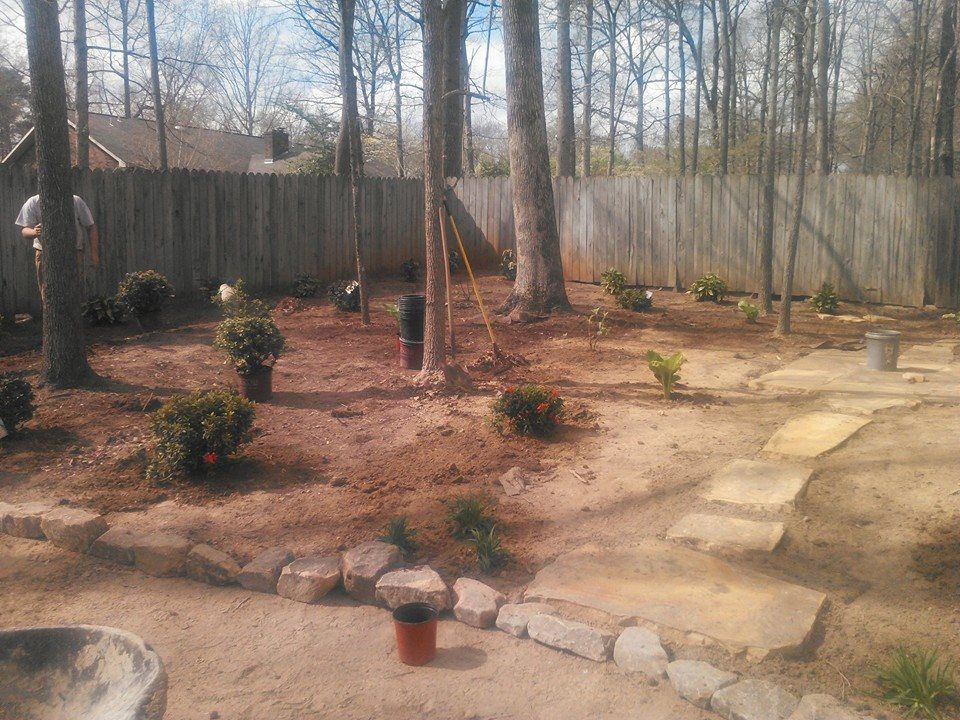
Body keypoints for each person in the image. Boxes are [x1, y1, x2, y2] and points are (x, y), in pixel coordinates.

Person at [15, 193, 99, 304]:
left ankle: (76, 318)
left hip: (73, 252)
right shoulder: (33, 202)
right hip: (44, 253)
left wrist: (94, 254)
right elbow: (24, 230)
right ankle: (51, 318)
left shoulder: (75, 201)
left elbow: (90, 227)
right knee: (47, 291)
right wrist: (34, 232)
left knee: (75, 288)